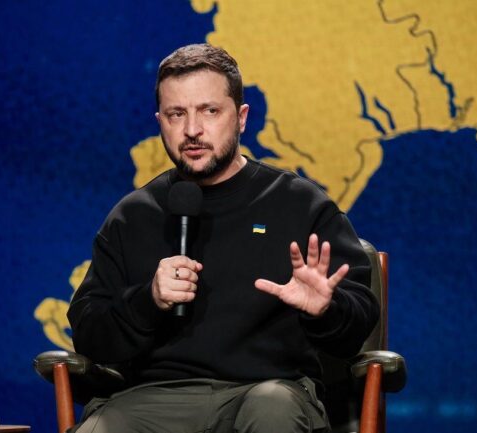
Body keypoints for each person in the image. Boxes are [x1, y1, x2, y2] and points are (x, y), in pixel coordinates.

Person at [67, 43, 379, 433]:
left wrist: (325, 310)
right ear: (160, 121)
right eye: (176, 114)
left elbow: (358, 323)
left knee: (272, 410)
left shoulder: (300, 205)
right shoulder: (134, 216)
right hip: (157, 399)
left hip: (268, 390)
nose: (191, 130)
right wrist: (148, 300)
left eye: (209, 111)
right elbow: (89, 335)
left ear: (241, 118)